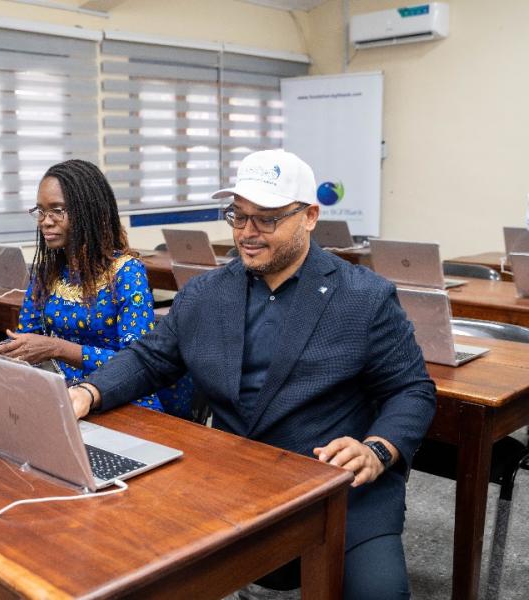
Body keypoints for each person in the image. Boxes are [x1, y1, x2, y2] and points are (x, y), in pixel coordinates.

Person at [67, 149, 436, 598]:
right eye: (238, 217)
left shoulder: (364, 297)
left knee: (381, 594)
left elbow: (411, 390)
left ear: (310, 216)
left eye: (266, 219)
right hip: (230, 480)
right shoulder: (205, 293)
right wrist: (89, 391)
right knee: (118, 562)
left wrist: (377, 449)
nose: (247, 234)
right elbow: (151, 358)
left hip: (339, 490)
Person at [0, 159, 191, 416]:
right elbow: (28, 339)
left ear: (88, 212)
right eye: (40, 211)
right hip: (61, 396)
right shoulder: (46, 273)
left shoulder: (126, 272)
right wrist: (6, 354)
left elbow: (139, 363)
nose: (45, 221)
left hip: (119, 398)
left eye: (57, 210)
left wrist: (57, 348)